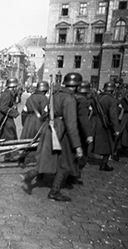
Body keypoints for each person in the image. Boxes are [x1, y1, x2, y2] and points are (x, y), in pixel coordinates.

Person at [22, 72, 84, 202]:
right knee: (65, 162)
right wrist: (77, 145)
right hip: (60, 131)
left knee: (47, 157)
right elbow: (71, 124)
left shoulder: (55, 95)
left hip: (49, 127)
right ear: (77, 86)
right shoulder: (69, 99)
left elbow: (46, 112)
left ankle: (31, 175)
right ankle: (54, 191)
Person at [90, 81, 120, 171]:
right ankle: (104, 163)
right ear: (112, 90)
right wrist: (116, 129)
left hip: (95, 122)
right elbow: (113, 115)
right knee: (109, 143)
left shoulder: (97, 97)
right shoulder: (112, 100)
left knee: (91, 142)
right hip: (106, 124)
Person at [18, 81, 49, 166]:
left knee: (27, 140)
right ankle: (35, 159)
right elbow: (45, 112)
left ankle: (23, 156)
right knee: (37, 140)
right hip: (38, 121)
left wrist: (25, 123)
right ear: (44, 90)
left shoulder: (29, 98)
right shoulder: (44, 98)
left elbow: (24, 112)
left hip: (28, 120)